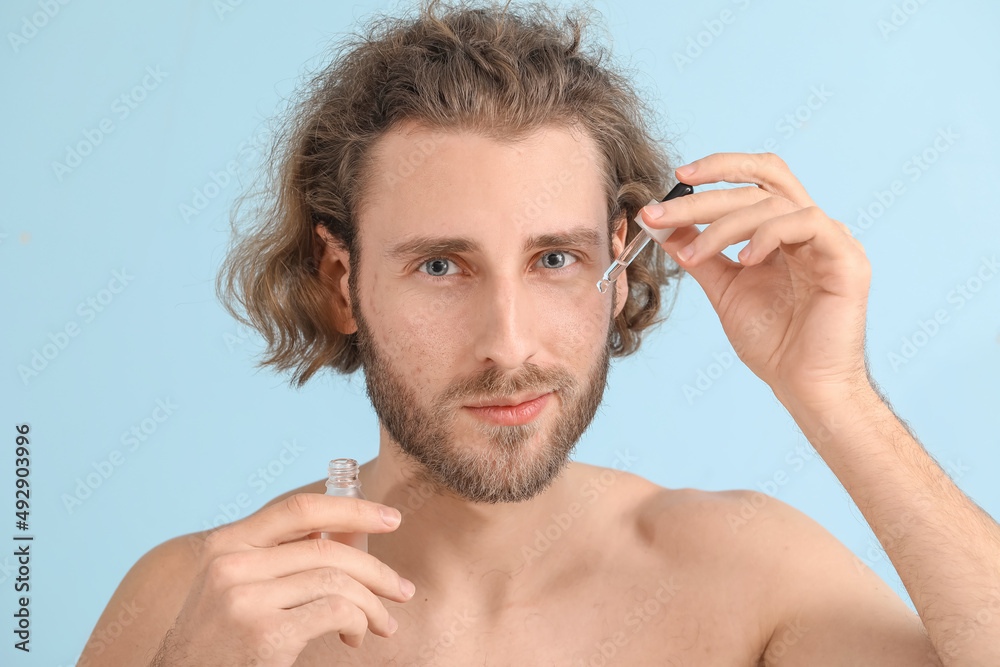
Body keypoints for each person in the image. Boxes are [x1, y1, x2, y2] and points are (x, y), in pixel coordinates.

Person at [79, 1, 1000, 665]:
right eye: (442, 267)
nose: (510, 345)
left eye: (555, 259)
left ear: (620, 264)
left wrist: (835, 394)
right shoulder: (198, 602)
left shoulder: (750, 575)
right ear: (340, 281)